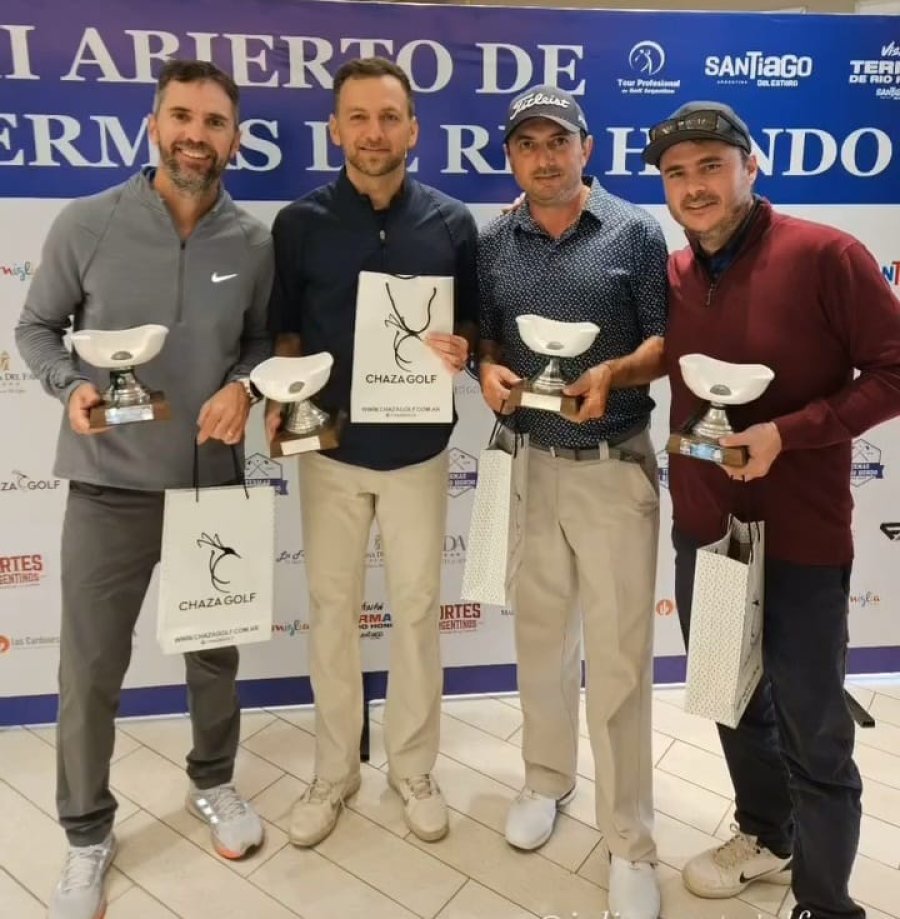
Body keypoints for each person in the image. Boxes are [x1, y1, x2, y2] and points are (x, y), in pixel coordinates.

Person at [16, 60, 273, 919]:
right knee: (90, 668)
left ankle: (215, 783)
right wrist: (67, 386)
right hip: (108, 486)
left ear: (235, 137)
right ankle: (87, 832)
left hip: (211, 484)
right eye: (181, 117)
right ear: (155, 123)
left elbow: (264, 344)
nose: (196, 135)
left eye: (214, 121)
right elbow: (37, 327)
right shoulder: (88, 222)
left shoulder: (252, 239)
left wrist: (246, 386)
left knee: (215, 658)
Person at [642, 100, 900, 919]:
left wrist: (792, 432)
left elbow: (894, 368)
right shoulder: (676, 272)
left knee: (814, 723)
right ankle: (767, 832)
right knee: (728, 693)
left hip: (801, 539)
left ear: (751, 167)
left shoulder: (828, 254)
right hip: (708, 528)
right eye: (677, 173)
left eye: (711, 165)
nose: (694, 185)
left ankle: (826, 902)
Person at [266, 57, 478, 847]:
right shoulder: (300, 223)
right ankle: (333, 771)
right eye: (358, 116)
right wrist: (285, 404)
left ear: (413, 129)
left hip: (419, 453)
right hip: (330, 454)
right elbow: (286, 329)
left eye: (389, 116)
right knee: (330, 614)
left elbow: (475, 329)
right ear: (335, 128)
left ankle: (413, 767)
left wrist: (464, 348)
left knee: (418, 612)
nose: (374, 132)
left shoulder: (453, 223)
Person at [477, 84, 668, 919]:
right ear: (512, 156)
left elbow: (668, 341)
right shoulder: (494, 241)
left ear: (586, 148)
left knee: (621, 659)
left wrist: (615, 373)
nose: (544, 158)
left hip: (613, 464)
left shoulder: (634, 231)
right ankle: (545, 779)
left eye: (559, 142)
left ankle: (629, 836)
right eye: (528, 144)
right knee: (540, 637)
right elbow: (484, 336)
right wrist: (481, 367)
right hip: (529, 463)